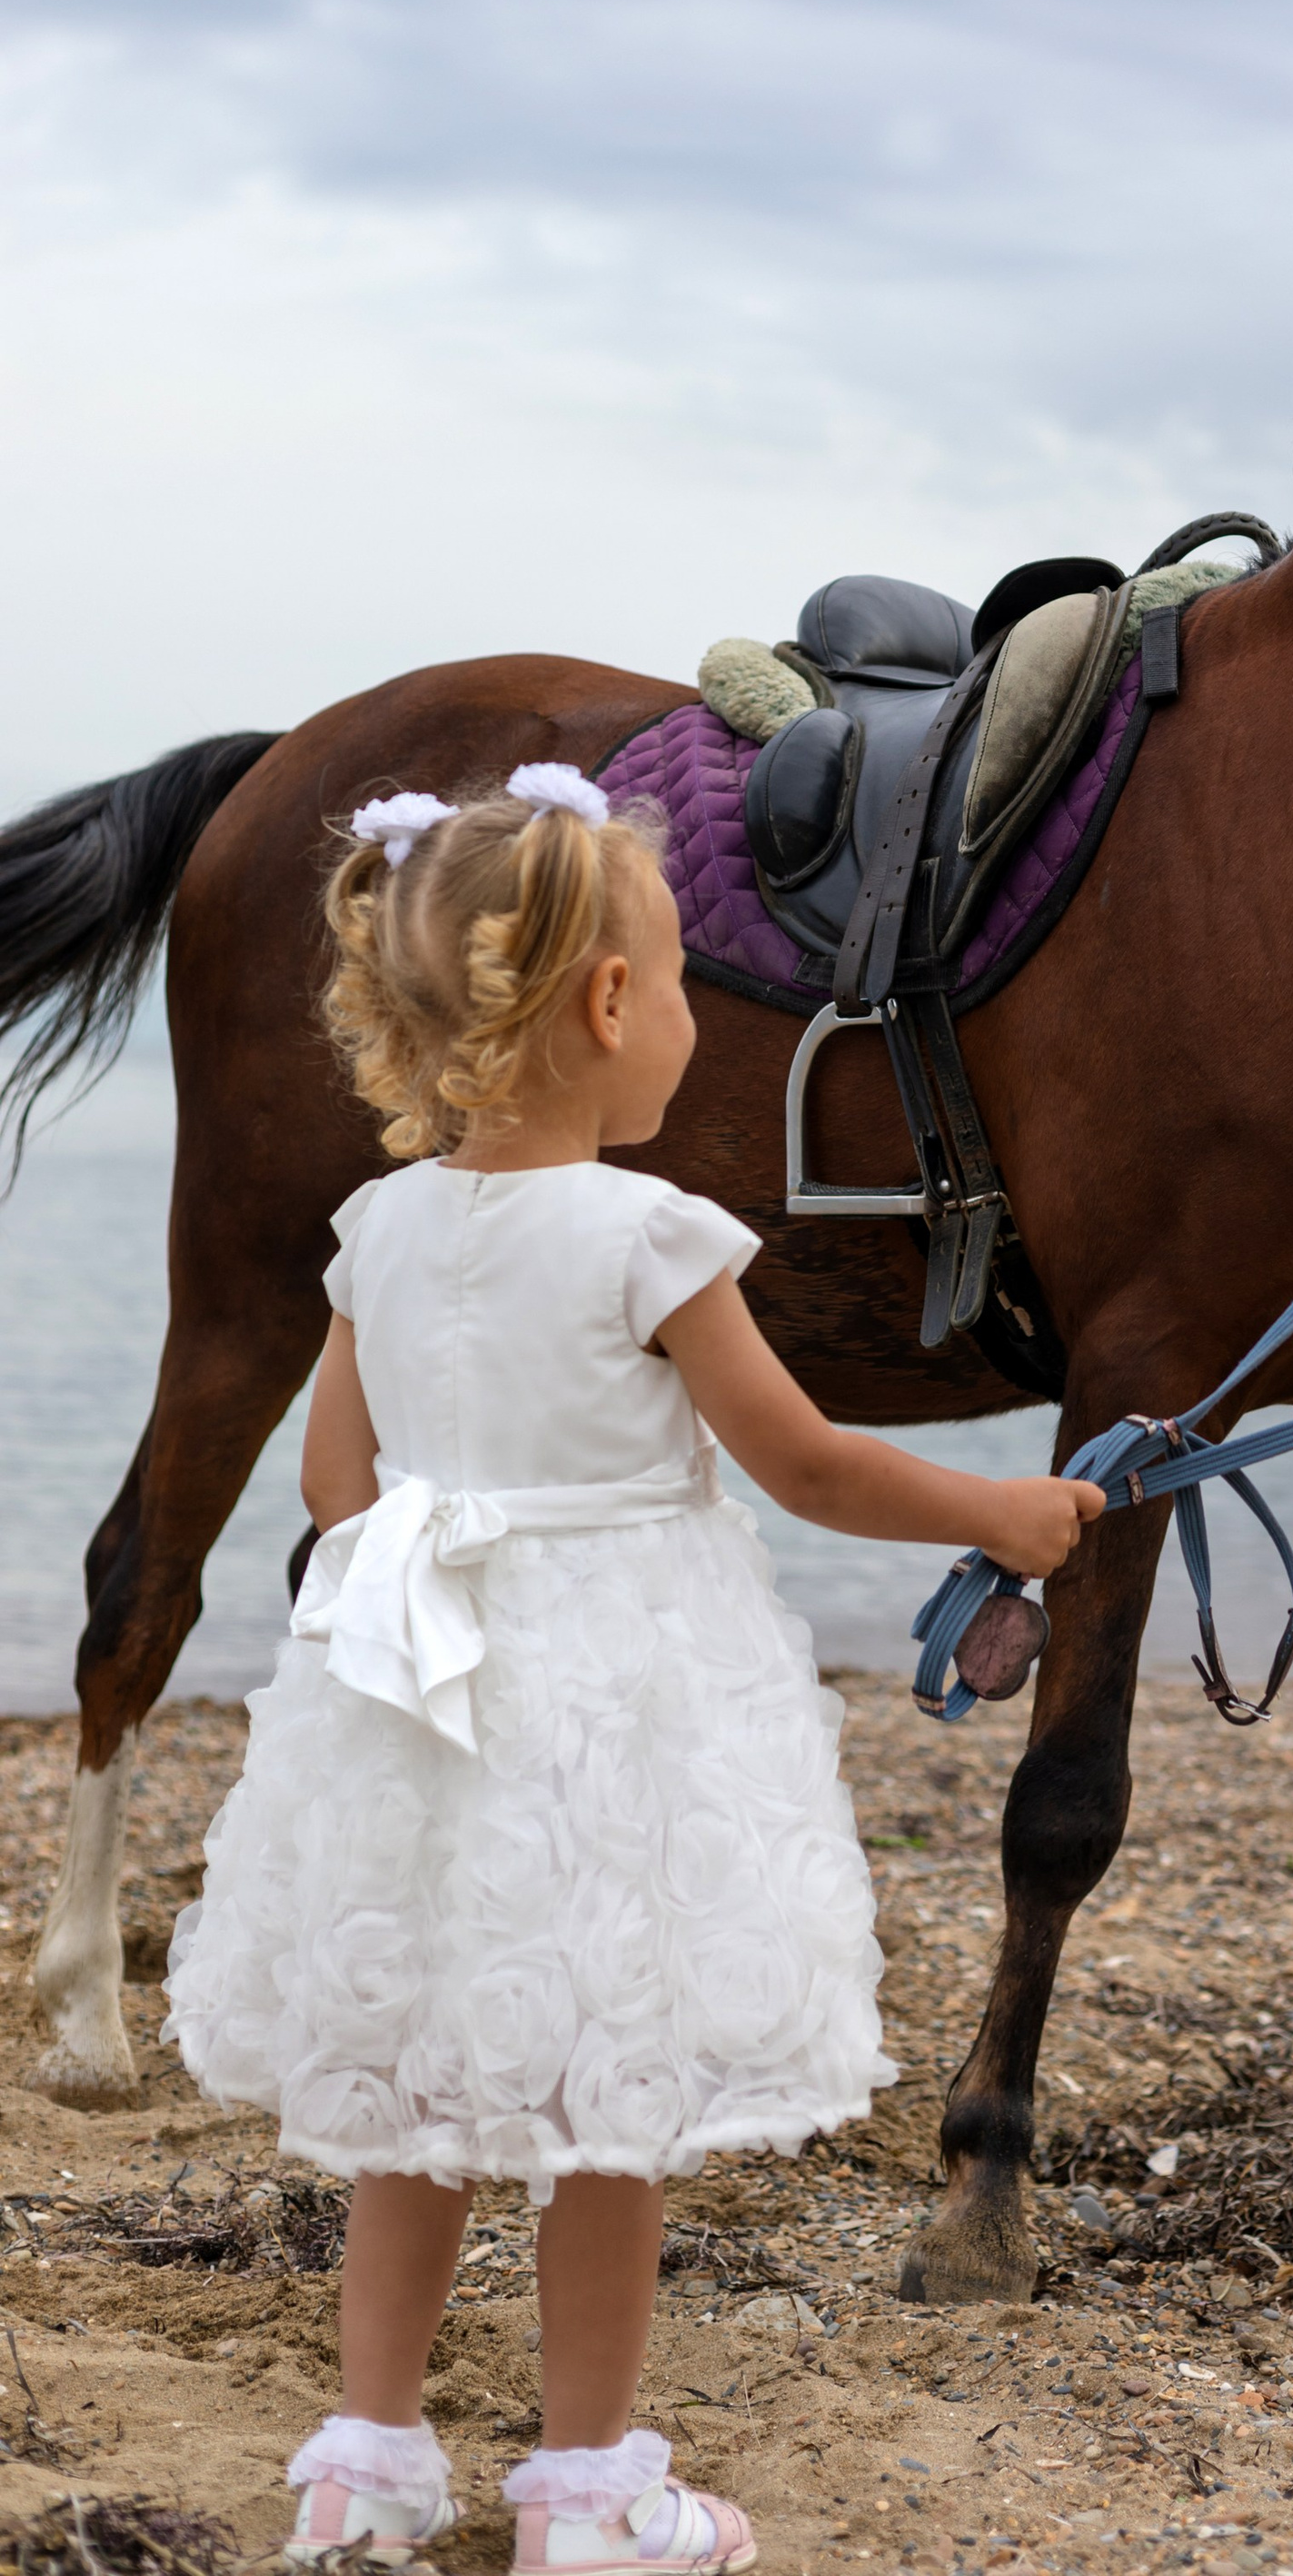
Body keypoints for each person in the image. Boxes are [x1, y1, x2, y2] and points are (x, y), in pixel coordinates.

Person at [164, 763, 1102, 2572]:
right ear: (607, 1006)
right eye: (677, 983)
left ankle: (364, 2462)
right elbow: (805, 1462)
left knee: (420, 2088)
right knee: (603, 2095)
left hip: (415, 1688)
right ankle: (587, 2493)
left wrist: (444, 1564)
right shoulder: (650, 1237)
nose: (683, 1016)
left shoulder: (384, 1229)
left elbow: (332, 1486)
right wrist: (1005, 1513)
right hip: (608, 1701)